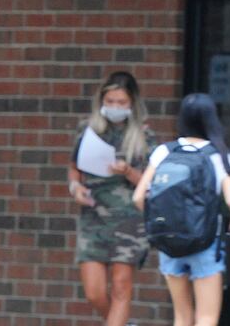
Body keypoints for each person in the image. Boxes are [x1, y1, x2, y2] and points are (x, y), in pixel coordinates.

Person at [132, 93, 230, 326]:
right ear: (213, 119)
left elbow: (138, 197)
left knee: (181, 317)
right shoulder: (219, 155)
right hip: (205, 243)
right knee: (206, 317)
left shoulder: (165, 152)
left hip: (169, 241)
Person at [67, 71, 156, 326]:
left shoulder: (143, 136)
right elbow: (74, 167)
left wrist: (128, 171)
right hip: (94, 216)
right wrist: (75, 188)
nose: (115, 107)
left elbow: (150, 182)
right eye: (110, 101)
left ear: (132, 104)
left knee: (120, 287)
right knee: (94, 292)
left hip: (128, 219)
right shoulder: (88, 130)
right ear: (102, 101)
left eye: (121, 102)